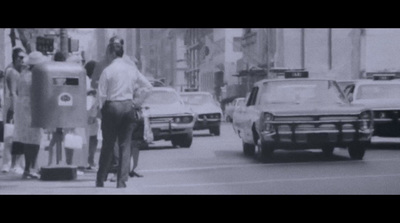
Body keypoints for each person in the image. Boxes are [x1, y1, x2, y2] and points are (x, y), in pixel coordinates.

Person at [96, 36, 152, 188]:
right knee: (125, 145)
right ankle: (122, 181)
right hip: (128, 106)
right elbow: (148, 86)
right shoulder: (131, 70)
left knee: (108, 145)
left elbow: (101, 94)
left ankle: (100, 178)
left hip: (111, 106)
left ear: (112, 54)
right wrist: (137, 102)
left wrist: (100, 111)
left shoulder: (107, 70)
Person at [14, 51, 47, 179]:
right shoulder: (35, 76)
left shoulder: (23, 74)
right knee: (34, 139)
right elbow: (39, 94)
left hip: (22, 107)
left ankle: (29, 168)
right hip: (32, 109)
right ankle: (31, 168)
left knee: (28, 139)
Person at [1, 48, 26, 174]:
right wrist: (18, 109)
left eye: (23, 58)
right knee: (11, 136)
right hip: (13, 108)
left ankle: (12, 164)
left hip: (14, 108)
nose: (22, 60)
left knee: (13, 136)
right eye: (20, 57)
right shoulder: (12, 72)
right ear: (15, 57)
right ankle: (11, 164)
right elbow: (13, 93)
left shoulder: (16, 71)